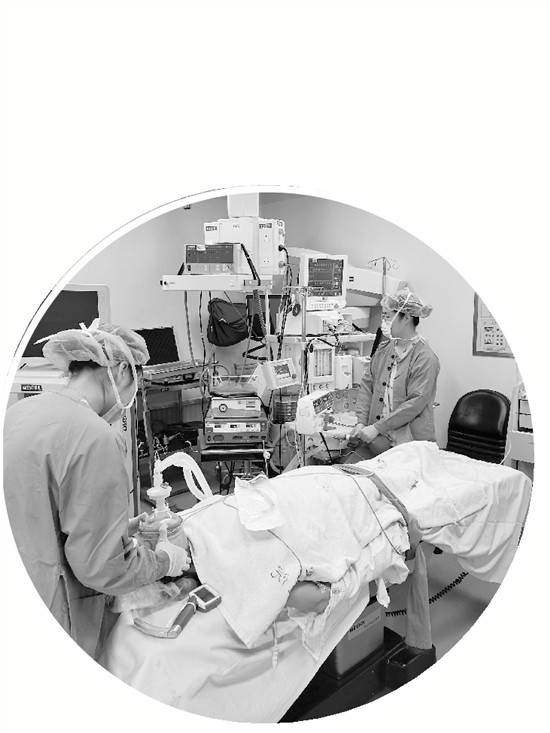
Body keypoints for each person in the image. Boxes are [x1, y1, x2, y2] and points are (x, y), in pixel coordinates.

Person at [3, 320, 190, 659]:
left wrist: (123, 529)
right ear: (121, 369)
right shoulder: (96, 436)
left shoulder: (21, 412)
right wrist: (164, 561)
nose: (133, 396)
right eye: (137, 384)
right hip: (55, 606)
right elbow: (102, 568)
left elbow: (41, 510)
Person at [346, 288, 440, 461]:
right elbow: (367, 387)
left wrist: (377, 427)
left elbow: (415, 403)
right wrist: (361, 422)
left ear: (406, 318)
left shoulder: (425, 358)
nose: (384, 322)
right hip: (380, 439)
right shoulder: (384, 351)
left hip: (410, 443)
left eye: (388, 316)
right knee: (350, 469)